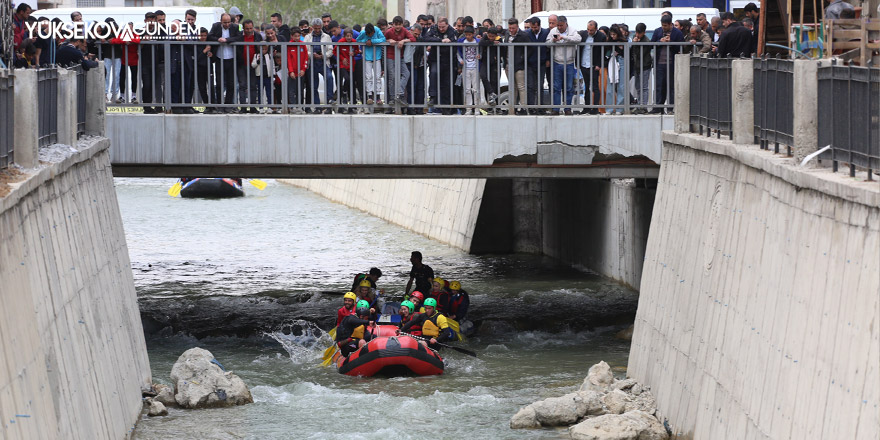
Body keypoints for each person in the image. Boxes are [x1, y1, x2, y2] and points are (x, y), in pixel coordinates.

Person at [545, 15, 581, 116]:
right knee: (556, 87)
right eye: (558, 25)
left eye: (561, 25)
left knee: (569, 87)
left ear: (566, 23)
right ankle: (556, 109)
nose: (559, 27)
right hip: (557, 62)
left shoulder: (572, 30)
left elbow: (578, 38)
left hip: (569, 62)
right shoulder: (553, 31)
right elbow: (547, 43)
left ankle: (567, 108)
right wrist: (553, 40)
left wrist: (564, 37)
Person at [208, 13, 241, 113]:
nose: (227, 24)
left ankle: (228, 105)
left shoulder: (235, 27)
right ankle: (220, 105)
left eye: (228, 22)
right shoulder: (216, 26)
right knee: (219, 83)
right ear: (220, 21)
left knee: (231, 84)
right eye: (224, 22)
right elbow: (210, 36)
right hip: (219, 58)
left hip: (231, 58)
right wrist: (218, 39)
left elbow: (239, 38)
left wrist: (226, 40)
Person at [650, 15, 683, 114]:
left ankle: (670, 108)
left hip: (672, 63)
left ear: (670, 24)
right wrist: (660, 41)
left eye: (665, 25)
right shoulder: (657, 31)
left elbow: (681, 46)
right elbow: (651, 44)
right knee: (659, 85)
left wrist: (671, 42)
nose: (663, 27)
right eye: (662, 25)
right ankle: (658, 107)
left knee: (671, 86)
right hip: (659, 63)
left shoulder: (677, 33)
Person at [356, 23, 386, 106]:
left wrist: (372, 41)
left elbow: (383, 39)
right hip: (367, 57)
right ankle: (370, 95)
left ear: (373, 31)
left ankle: (378, 96)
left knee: (377, 77)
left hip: (377, 57)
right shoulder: (363, 33)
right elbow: (358, 40)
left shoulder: (377, 30)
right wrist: (365, 41)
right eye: (368, 34)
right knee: (368, 76)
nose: (370, 35)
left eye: (371, 34)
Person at [525, 17, 550, 110]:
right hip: (530, 63)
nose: (533, 29)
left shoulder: (546, 33)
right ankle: (531, 107)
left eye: (535, 27)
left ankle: (540, 107)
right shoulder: (527, 33)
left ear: (539, 25)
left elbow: (549, 48)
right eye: (532, 27)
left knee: (540, 85)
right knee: (530, 86)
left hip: (542, 63)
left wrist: (548, 59)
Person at [457, 26, 480, 115]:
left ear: (473, 34)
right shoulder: (462, 42)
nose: (468, 37)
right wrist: (460, 61)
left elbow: (481, 51)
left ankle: (477, 108)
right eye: (466, 35)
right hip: (465, 67)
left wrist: (479, 56)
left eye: (470, 35)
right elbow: (458, 52)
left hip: (475, 67)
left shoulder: (477, 42)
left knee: (475, 89)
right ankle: (468, 108)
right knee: (467, 89)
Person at [479, 26, 502, 111]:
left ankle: (496, 106)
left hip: (495, 63)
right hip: (485, 62)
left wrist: (498, 57)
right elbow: (481, 43)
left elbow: (502, 49)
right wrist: (491, 43)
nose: (491, 38)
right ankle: (491, 94)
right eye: (490, 36)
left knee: (494, 82)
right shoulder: (485, 37)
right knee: (483, 76)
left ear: (496, 35)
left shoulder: (499, 39)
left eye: (493, 37)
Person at [630, 23, 652, 114]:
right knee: (638, 86)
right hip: (636, 66)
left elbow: (640, 54)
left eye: (640, 33)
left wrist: (636, 44)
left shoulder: (646, 41)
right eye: (636, 33)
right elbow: (632, 52)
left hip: (645, 66)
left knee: (644, 87)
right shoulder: (634, 37)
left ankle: (644, 106)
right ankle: (639, 104)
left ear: (644, 32)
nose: (637, 35)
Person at [286, 27, 309, 113]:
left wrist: (303, 69)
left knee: (300, 89)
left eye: (299, 36)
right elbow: (288, 59)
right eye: (295, 36)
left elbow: (306, 58)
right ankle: (292, 106)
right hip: (292, 72)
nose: (297, 38)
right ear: (292, 36)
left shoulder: (303, 44)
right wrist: (291, 71)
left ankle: (300, 106)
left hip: (301, 72)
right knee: (291, 90)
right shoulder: (289, 45)